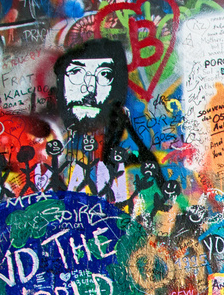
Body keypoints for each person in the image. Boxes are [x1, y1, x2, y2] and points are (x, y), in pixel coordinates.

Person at [53, 39, 178, 214]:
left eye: (104, 74)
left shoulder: (125, 134)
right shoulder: (56, 141)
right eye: (76, 73)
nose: (90, 87)